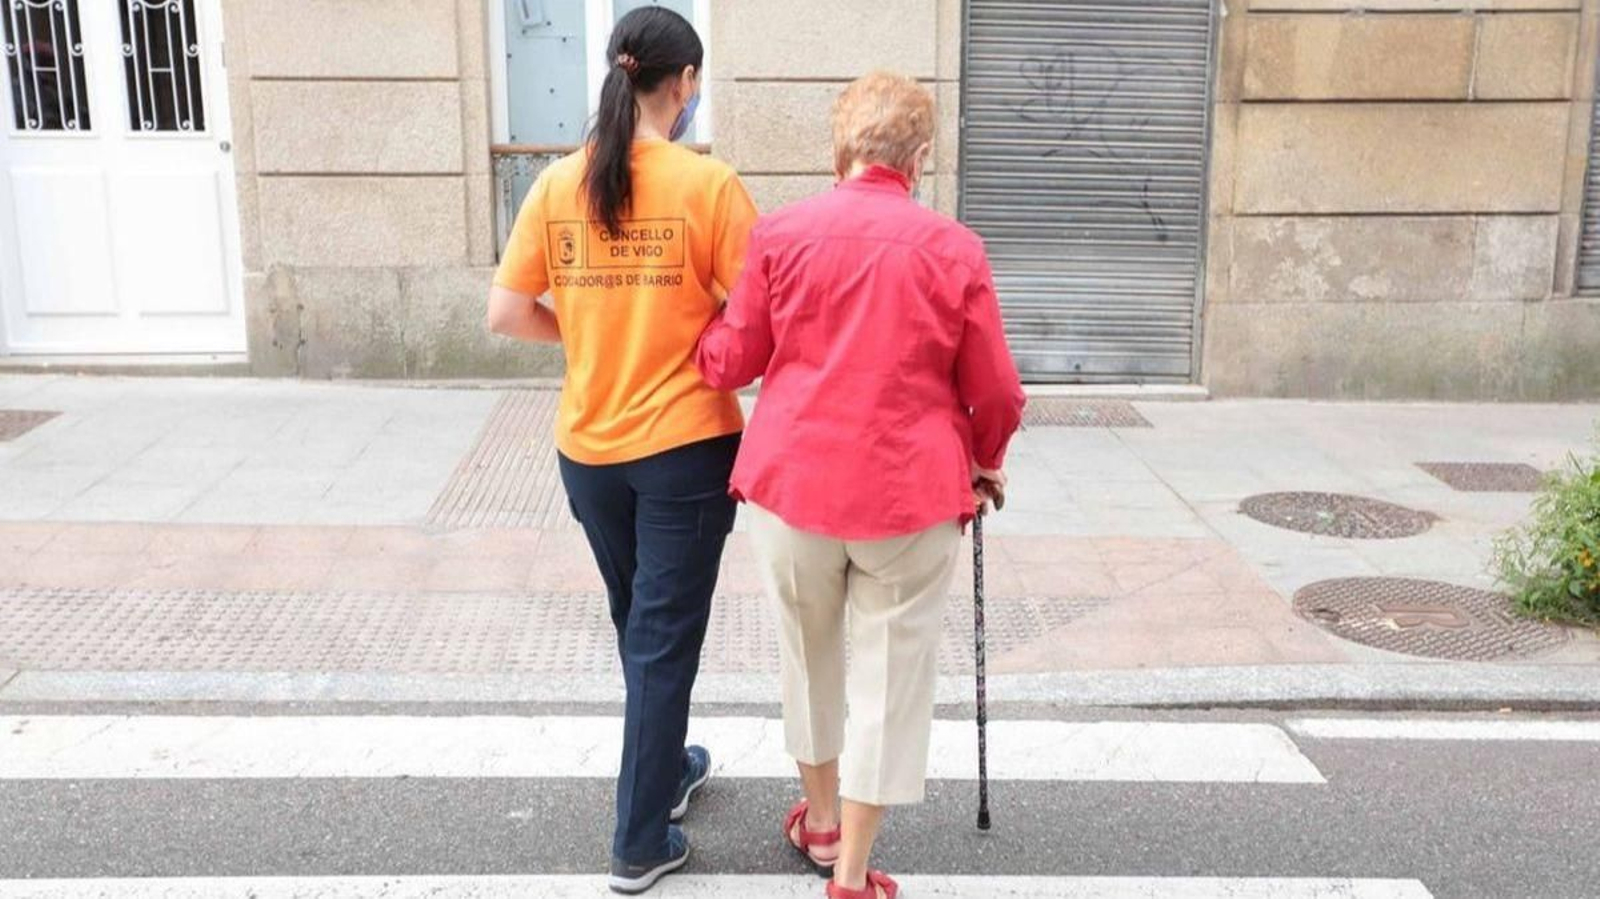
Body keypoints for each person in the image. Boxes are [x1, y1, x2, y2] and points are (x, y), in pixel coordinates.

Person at [696, 71, 1026, 899]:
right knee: (890, 678)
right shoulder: (954, 248)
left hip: (796, 488)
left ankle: (818, 819)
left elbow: (734, 359)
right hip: (909, 499)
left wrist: (694, 334)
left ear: (838, 150)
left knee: (807, 659)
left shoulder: (780, 234)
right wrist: (985, 459)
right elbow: (997, 390)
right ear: (918, 158)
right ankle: (849, 874)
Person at [485, 7, 757, 895]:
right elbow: (761, 314)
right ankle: (640, 838)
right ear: (682, 84)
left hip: (590, 447)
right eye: (697, 82)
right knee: (661, 637)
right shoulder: (705, 185)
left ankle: (668, 766)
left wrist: (593, 337)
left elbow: (507, 311)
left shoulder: (560, 183)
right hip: (684, 444)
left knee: (639, 622)